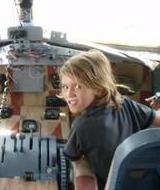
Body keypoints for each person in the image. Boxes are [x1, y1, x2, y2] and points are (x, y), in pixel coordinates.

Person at [59, 49, 160, 190]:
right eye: (65, 87)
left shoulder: (80, 126)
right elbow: (157, 118)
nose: (69, 94)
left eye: (77, 86)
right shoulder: (126, 104)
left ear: (99, 89)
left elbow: (77, 161)